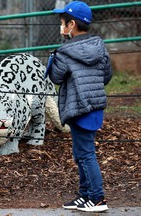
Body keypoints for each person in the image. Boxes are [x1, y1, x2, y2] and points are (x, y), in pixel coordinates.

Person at [47, 1, 113, 212]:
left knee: (85, 154)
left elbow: (56, 77)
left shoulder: (66, 52)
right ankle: (85, 195)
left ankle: (97, 198)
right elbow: (106, 76)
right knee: (82, 152)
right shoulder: (100, 47)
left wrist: (54, 59)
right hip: (94, 107)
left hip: (77, 107)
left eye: (63, 23)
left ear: (72, 25)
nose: (61, 27)